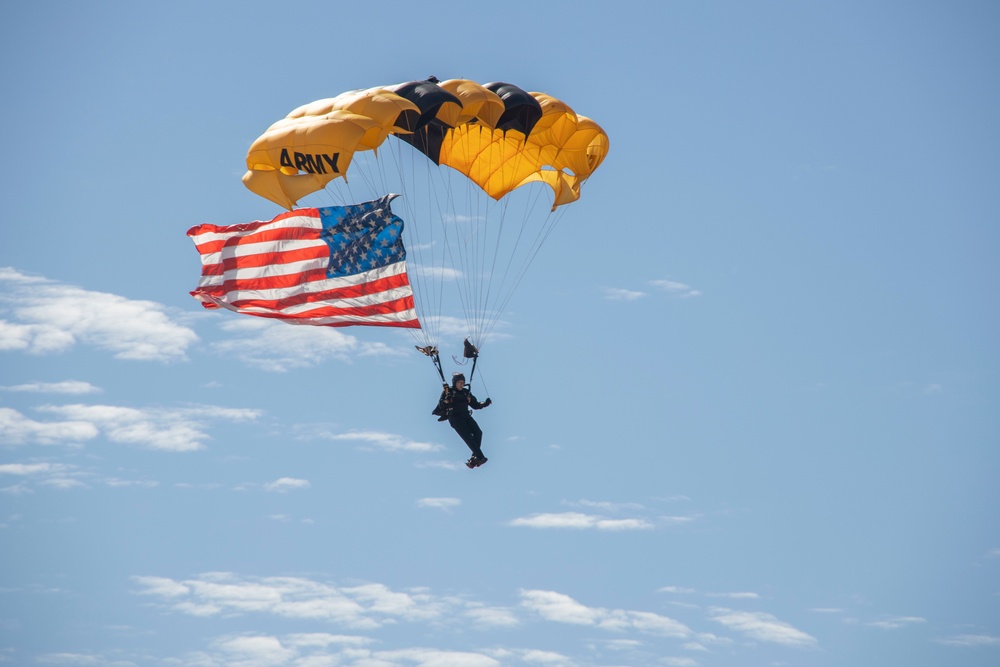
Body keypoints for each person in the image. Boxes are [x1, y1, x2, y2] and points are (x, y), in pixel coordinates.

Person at [434, 372, 492, 468]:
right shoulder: (448, 392)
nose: (461, 384)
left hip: (466, 416)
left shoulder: (466, 393)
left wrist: (485, 403)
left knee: (478, 433)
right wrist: (446, 400)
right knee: (468, 437)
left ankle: (474, 458)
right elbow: (441, 405)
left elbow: (475, 405)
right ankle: (480, 457)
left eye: (463, 382)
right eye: (459, 382)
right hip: (455, 418)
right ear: (455, 383)